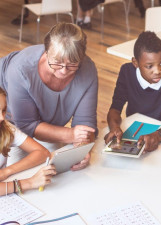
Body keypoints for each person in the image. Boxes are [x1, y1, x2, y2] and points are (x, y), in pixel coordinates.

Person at [0, 22, 97, 169]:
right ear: (46, 52)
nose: (63, 71)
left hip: (48, 127)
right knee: (18, 176)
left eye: (72, 64)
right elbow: (26, 125)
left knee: (61, 170)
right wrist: (71, 135)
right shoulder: (20, 69)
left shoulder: (87, 69)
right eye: (57, 63)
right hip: (11, 128)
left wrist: (81, 149)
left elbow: (85, 122)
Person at [104, 31, 161, 152]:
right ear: (135, 63)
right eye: (149, 66)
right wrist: (114, 128)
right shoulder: (126, 72)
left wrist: (159, 135)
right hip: (136, 136)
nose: (158, 71)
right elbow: (115, 107)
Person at [0, 87, 56, 196]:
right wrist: (30, 182)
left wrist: (6, 171)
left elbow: (43, 153)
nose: (2, 118)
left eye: (3, 110)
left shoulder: (5, 127)